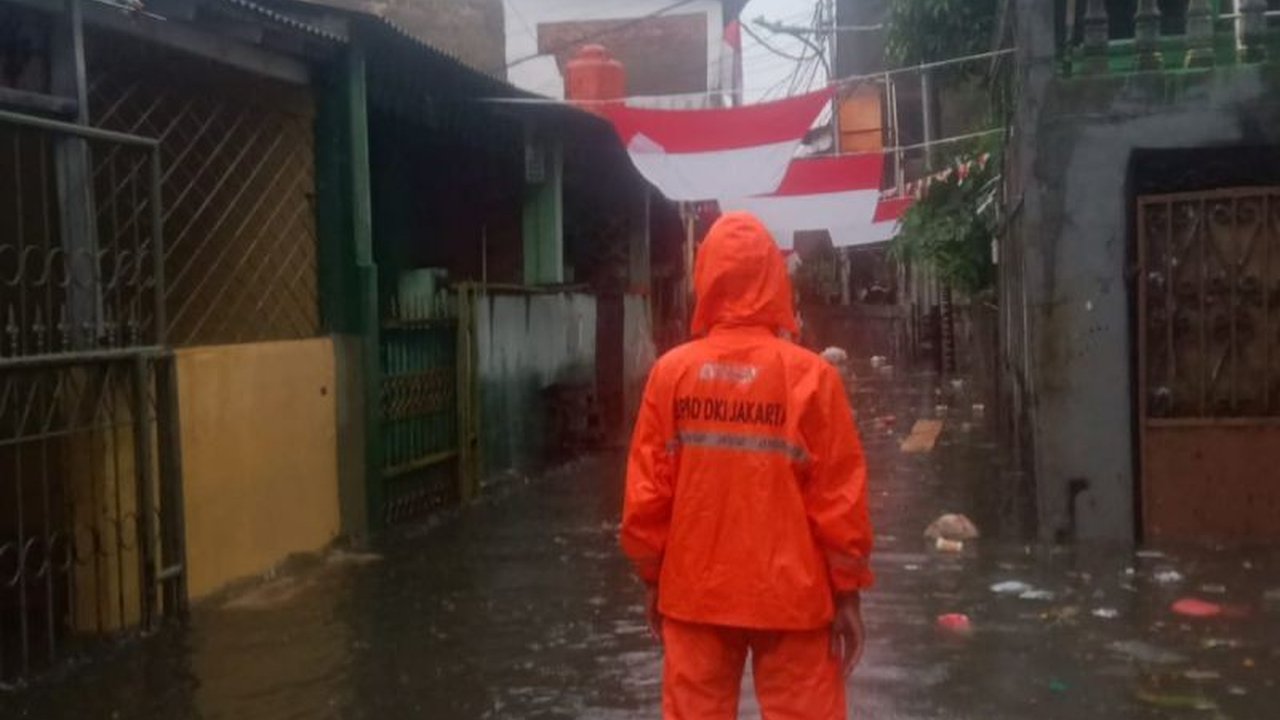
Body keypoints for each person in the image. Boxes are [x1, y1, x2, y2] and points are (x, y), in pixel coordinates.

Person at [621, 212, 874, 720]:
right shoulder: (813, 378)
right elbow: (839, 501)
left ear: (706, 277)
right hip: (795, 602)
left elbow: (647, 498)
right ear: (773, 279)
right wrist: (847, 592)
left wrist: (654, 579)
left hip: (694, 597)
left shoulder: (671, 375)